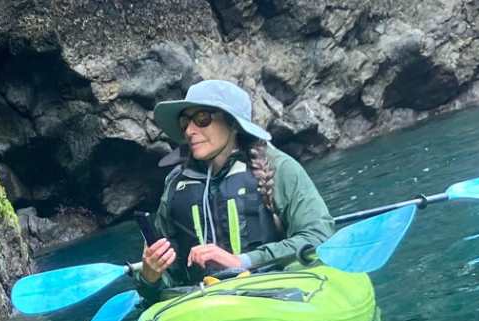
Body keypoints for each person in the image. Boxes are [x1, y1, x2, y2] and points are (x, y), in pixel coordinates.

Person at [137, 79, 335, 289]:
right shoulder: (176, 185)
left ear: (232, 123)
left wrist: (244, 261)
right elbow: (167, 280)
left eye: (202, 118)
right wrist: (151, 276)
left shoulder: (279, 168)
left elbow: (320, 237)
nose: (189, 131)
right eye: (185, 122)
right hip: (201, 303)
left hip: (276, 291)